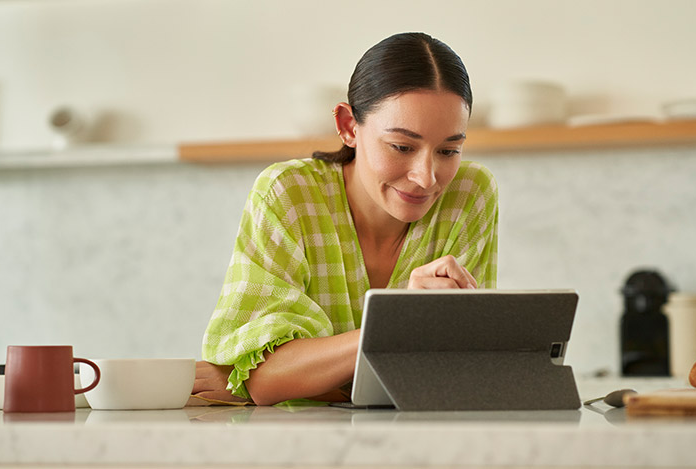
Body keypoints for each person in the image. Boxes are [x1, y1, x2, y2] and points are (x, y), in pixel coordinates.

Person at [194, 32, 498, 406]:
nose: (426, 177)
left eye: (449, 150)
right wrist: (397, 318)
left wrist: (313, 382)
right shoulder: (288, 194)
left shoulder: (470, 193)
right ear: (349, 127)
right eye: (402, 147)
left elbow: (459, 371)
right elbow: (264, 379)